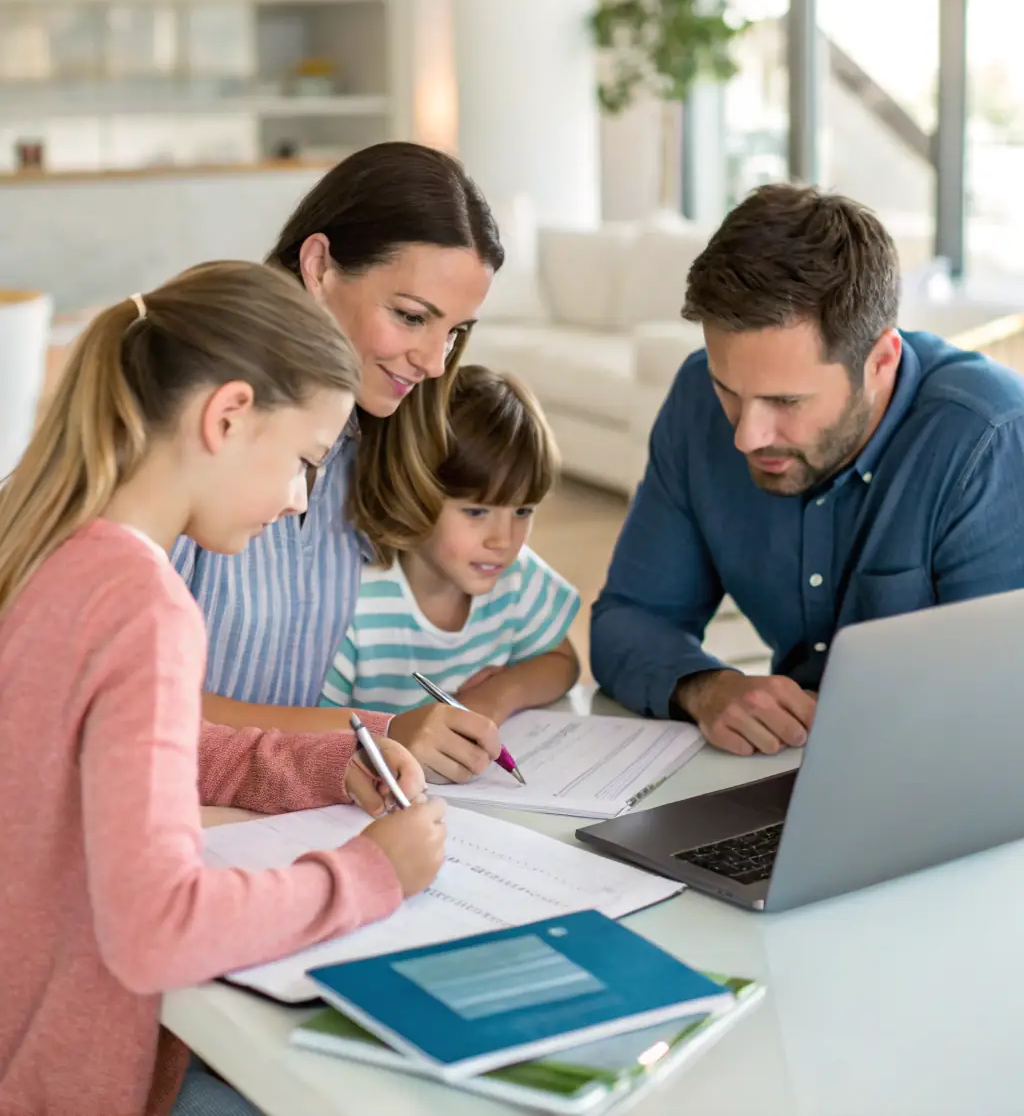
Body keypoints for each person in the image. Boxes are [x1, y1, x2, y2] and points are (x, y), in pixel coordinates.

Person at [0, 261, 446, 1116]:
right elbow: (156, 926)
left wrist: (319, 768)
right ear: (229, 414)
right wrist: (369, 873)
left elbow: (136, 751)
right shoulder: (144, 606)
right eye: (305, 461)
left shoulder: (54, 551)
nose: (298, 501)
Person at [591, 184, 1024, 757]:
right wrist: (706, 687)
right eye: (730, 391)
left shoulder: (986, 441)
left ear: (881, 361)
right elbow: (627, 619)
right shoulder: (696, 401)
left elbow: (999, 714)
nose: (747, 434)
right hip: (790, 771)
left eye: (786, 403)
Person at [170, 143, 507, 777]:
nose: (435, 362)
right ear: (320, 266)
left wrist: (493, 694)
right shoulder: (197, 432)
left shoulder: (377, 435)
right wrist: (381, 732)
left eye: (456, 331)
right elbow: (134, 708)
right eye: (410, 317)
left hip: (278, 807)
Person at [320, 366, 580, 783]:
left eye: (522, 511)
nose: (503, 539)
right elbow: (314, 730)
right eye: (476, 511)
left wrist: (495, 696)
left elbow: (562, 661)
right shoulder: (357, 603)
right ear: (411, 490)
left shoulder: (516, 576)